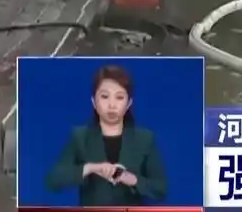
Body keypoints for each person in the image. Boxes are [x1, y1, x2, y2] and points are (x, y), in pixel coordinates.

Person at [45, 64, 167, 205]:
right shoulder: (79, 137)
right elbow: (53, 180)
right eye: (104, 96)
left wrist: (131, 179)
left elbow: (160, 189)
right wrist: (90, 168)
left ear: (128, 104)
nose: (112, 105)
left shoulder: (145, 138)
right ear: (94, 102)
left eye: (119, 97)